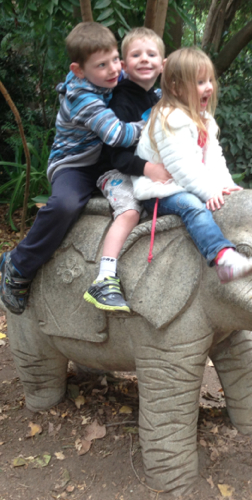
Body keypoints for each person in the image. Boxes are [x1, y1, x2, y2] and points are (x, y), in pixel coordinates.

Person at [0, 22, 145, 315]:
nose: (114, 68)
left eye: (116, 59)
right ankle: (19, 264)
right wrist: (152, 125)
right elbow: (117, 134)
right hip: (75, 165)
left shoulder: (108, 78)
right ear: (79, 70)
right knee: (66, 204)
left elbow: (137, 73)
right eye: (102, 64)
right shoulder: (83, 98)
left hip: (103, 162)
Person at [132, 47, 252, 283]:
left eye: (209, 80)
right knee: (191, 204)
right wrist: (209, 191)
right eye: (200, 82)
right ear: (177, 87)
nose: (209, 86)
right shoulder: (169, 118)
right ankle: (222, 257)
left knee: (223, 199)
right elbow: (181, 167)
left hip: (184, 183)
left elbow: (214, 158)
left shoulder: (203, 119)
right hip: (160, 188)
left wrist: (225, 185)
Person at [83, 27, 170, 312]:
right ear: (124, 64)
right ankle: (105, 277)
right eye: (136, 54)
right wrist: (149, 168)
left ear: (163, 63)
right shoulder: (122, 99)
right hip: (115, 171)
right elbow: (118, 156)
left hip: (144, 169)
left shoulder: (157, 98)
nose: (144, 59)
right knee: (131, 209)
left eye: (151, 54)